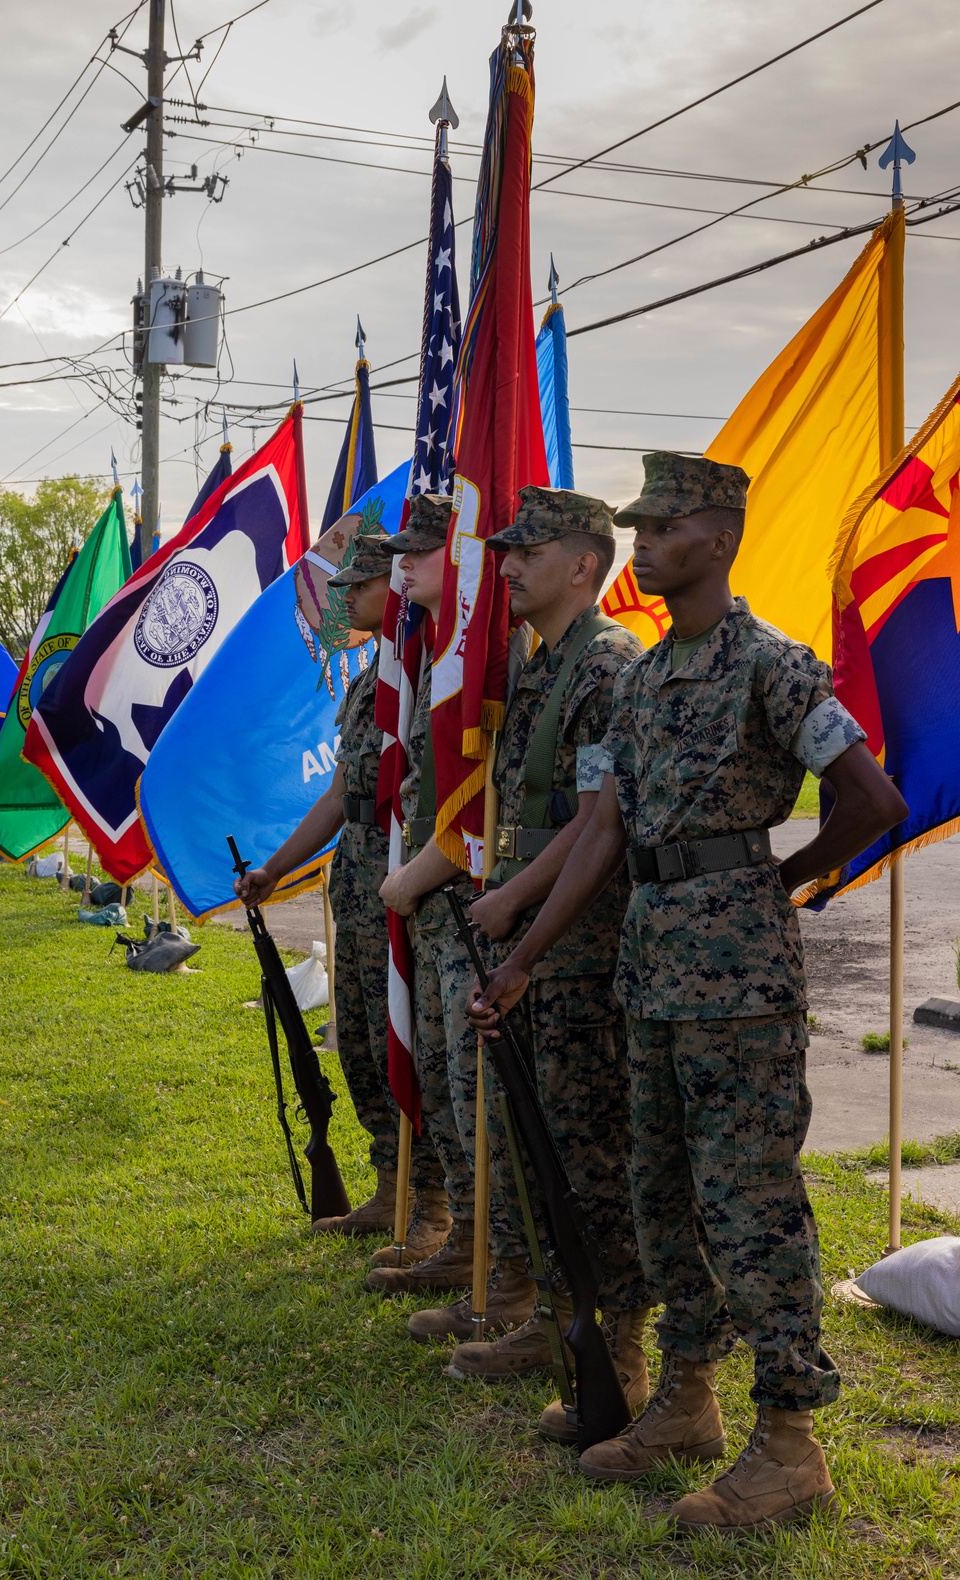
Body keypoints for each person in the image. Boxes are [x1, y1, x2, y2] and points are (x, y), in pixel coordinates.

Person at [467, 453, 908, 1532]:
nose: (646, 545)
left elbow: (870, 796)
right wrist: (523, 956)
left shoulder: (773, 666)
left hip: (738, 983)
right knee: (660, 1196)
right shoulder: (644, 677)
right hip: (649, 973)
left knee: (746, 1206)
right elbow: (604, 830)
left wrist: (783, 879)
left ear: (718, 538)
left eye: (663, 528)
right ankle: (687, 1397)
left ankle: (791, 1440)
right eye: (641, 527)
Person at [413, 486, 654, 1438]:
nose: (505, 566)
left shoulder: (605, 665)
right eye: (504, 550)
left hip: (581, 958)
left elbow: (598, 822)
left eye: (528, 551)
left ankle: (620, 1359)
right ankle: (553, 1326)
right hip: (534, 951)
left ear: (584, 565)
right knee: (530, 1147)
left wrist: (514, 898)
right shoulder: (548, 666)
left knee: (585, 1160)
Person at [234, 531, 447, 1251]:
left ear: (397, 585)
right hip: (356, 874)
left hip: (406, 875)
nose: (343, 599)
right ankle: (390, 1190)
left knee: (409, 1039)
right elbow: (336, 796)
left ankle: (433, 1207)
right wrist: (275, 867)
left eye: (357, 586)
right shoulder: (368, 683)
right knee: (359, 1038)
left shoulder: (429, 673)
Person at [365, 493, 538, 1340]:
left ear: (460, 555)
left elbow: (482, 808)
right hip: (436, 913)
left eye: (420, 551)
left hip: (471, 909)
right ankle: (469, 1245)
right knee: (443, 1087)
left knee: (479, 1100)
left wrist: (417, 875)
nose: (402, 565)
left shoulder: (482, 659)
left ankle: (504, 1280)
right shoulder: (425, 650)